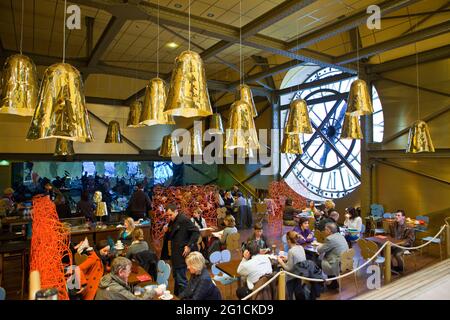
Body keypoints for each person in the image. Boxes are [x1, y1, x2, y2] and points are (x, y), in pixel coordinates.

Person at [162, 203, 200, 296]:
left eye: (171, 215)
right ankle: (178, 296)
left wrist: (189, 246)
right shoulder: (173, 220)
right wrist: (167, 231)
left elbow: (196, 232)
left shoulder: (184, 219)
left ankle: (186, 298)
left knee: (181, 279)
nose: (170, 217)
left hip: (181, 253)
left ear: (176, 211)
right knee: (176, 277)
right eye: (168, 215)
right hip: (174, 253)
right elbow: (171, 235)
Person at [95, 257, 162, 300]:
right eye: (129, 270)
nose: (130, 272)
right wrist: (154, 291)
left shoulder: (106, 278)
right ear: (120, 272)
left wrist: (126, 284)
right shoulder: (117, 289)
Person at [317, 222, 349, 290]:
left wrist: (319, 245)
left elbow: (320, 250)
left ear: (329, 231)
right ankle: (333, 283)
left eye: (325, 229)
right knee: (325, 258)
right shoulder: (340, 235)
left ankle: (319, 283)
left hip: (337, 263)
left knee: (316, 261)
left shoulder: (330, 239)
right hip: (346, 261)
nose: (324, 231)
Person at [277, 231, 306, 299]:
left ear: (288, 241)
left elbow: (288, 269)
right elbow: (300, 260)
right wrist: (287, 258)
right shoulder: (300, 247)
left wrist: (280, 261)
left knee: (279, 272)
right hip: (300, 274)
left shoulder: (291, 251)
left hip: (292, 276)